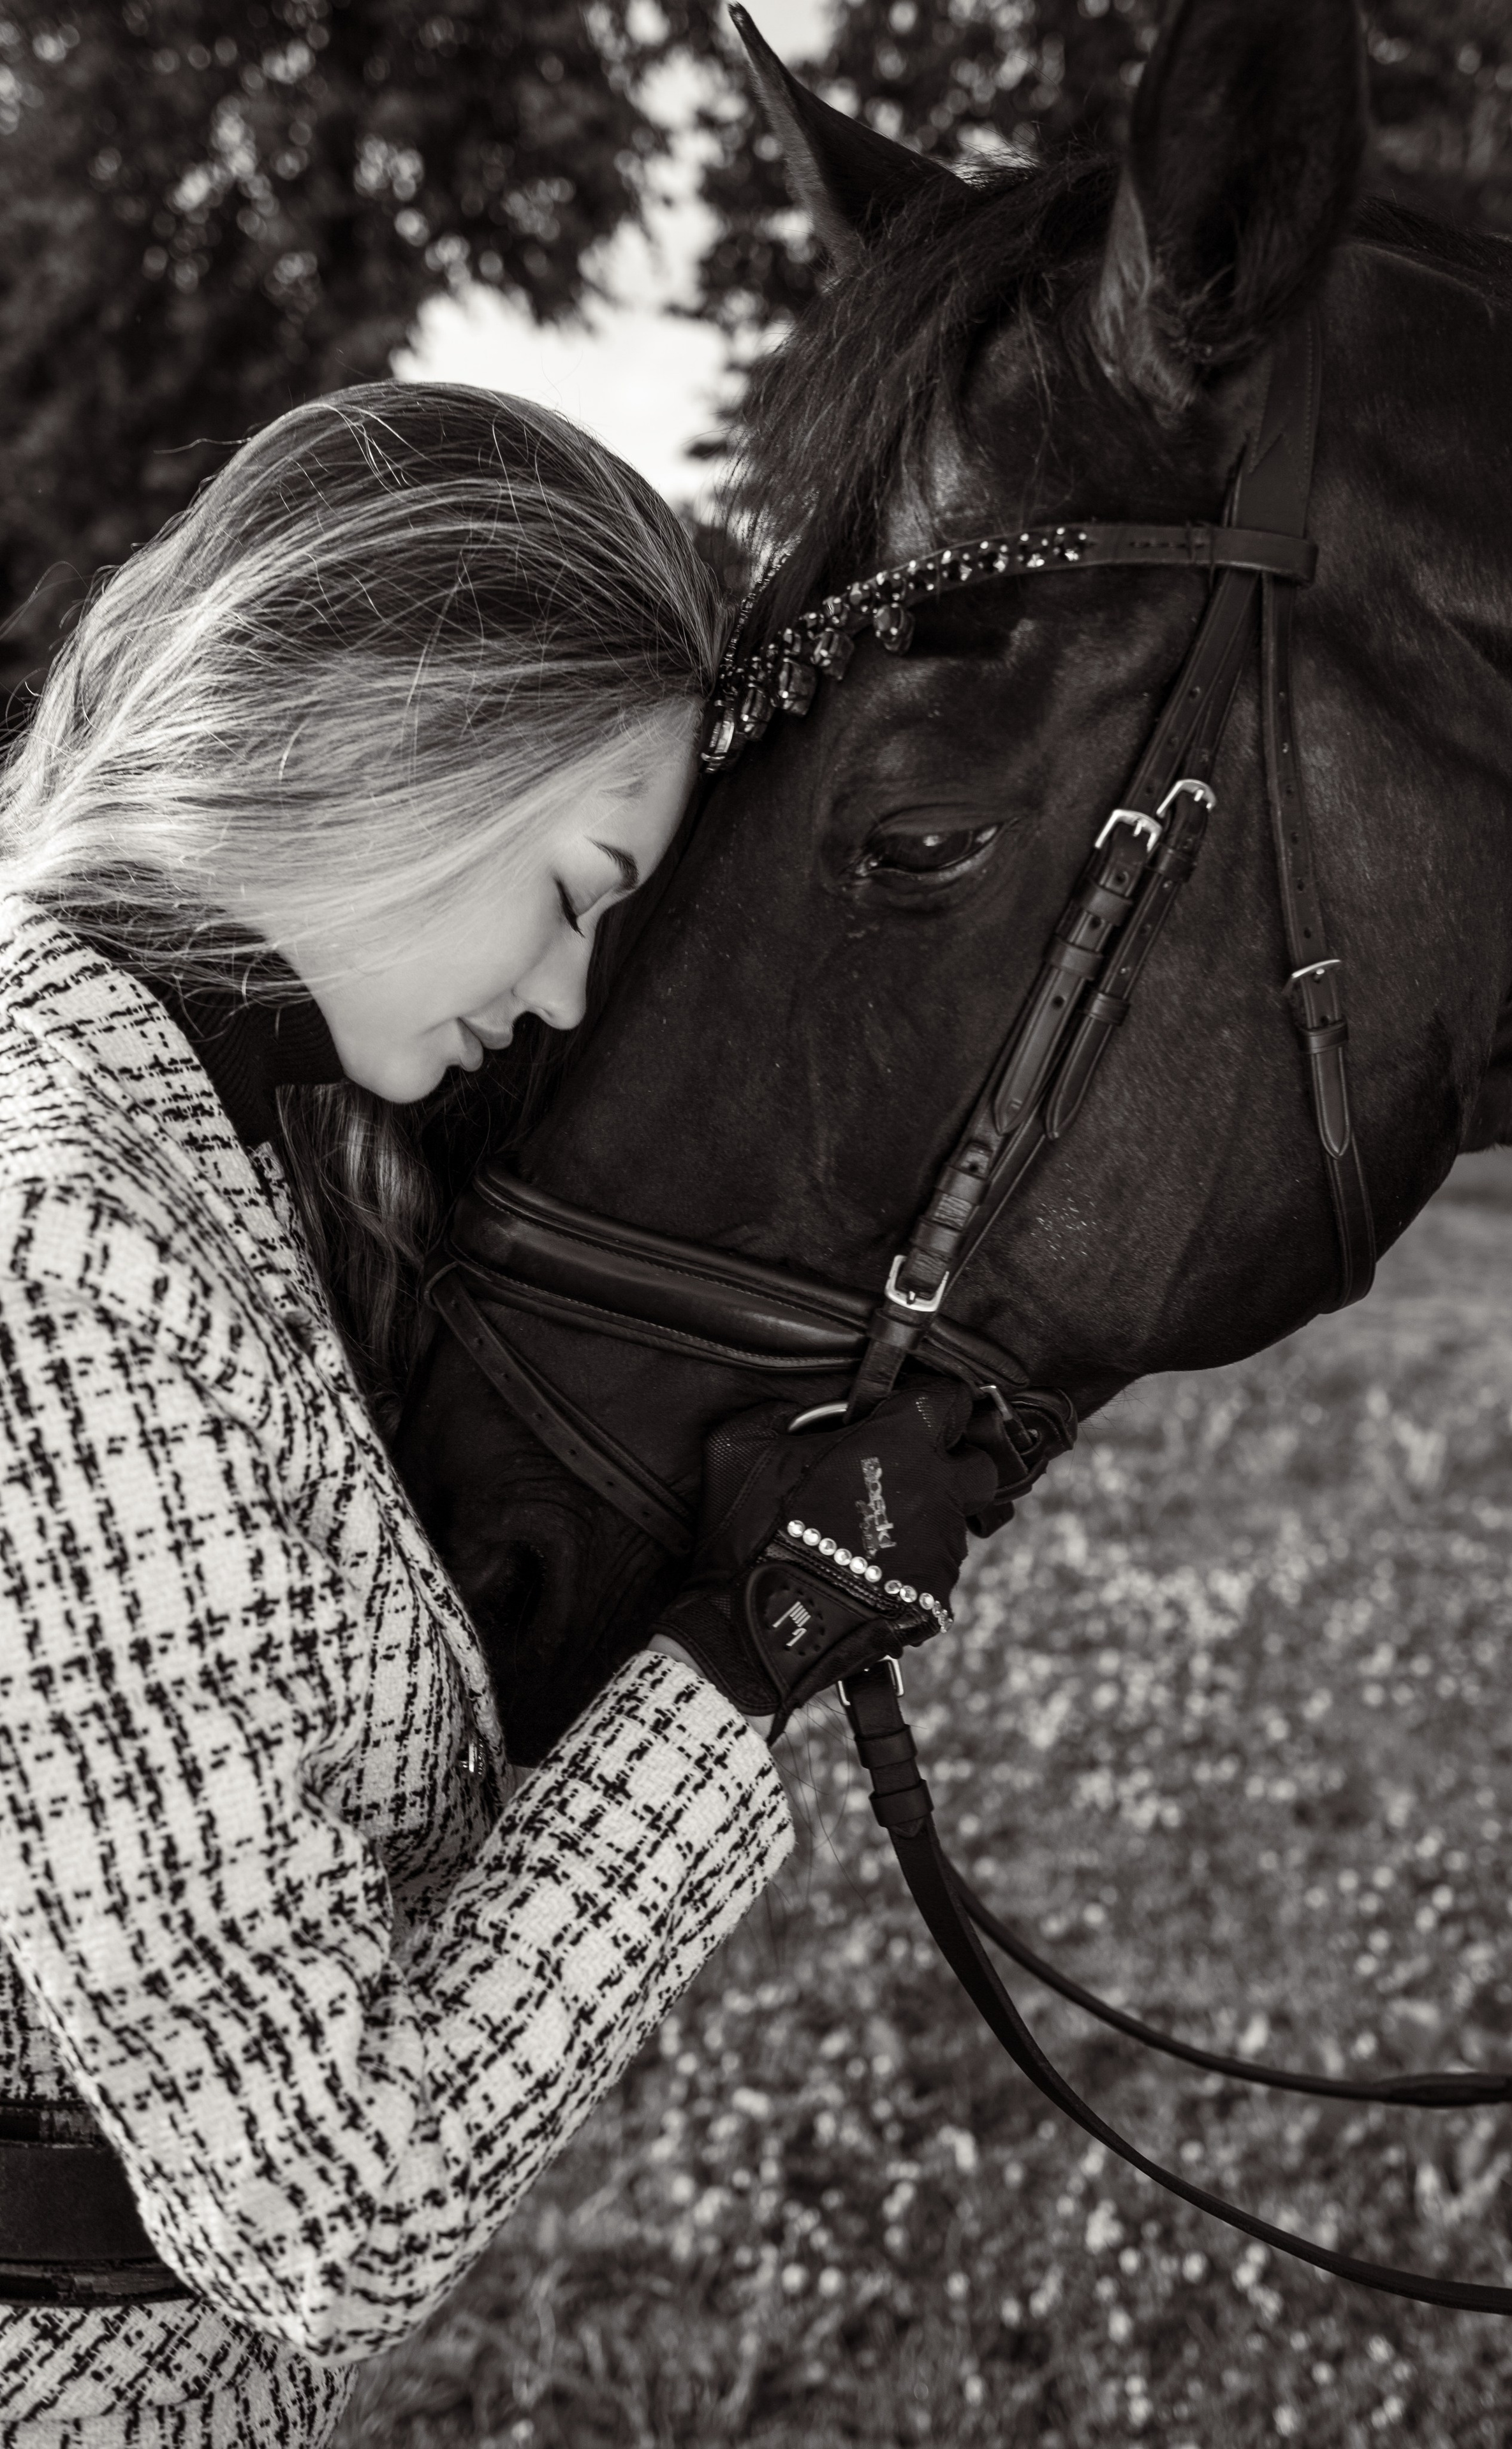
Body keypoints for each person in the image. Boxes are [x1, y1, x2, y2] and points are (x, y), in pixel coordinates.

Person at [0, 386, 996, 2445]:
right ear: (400, 726)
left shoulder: (183, 1134)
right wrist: (744, 1657)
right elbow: (326, 2210)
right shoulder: (59, 1229)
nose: (558, 996)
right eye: (579, 887)